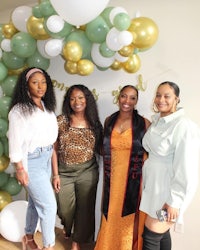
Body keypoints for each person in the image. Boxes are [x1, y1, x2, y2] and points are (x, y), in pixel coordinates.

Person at [139, 81, 200, 250]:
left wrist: (174, 201)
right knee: (161, 233)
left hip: (168, 194)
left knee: (151, 236)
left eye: (167, 96)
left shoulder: (184, 126)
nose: (161, 99)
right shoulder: (158, 121)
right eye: (158, 95)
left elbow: (185, 167)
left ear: (177, 99)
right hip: (154, 190)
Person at [94, 85, 151, 250]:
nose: (127, 101)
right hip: (112, 179)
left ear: (136, 101)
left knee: (129, 217)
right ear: (118, 97)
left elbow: (150, 152)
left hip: (133, 180)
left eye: (132, 98)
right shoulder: (109, 120)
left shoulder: (144, 123)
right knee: (110, 214)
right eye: (124, 96)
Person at [7, 67, 58, 250]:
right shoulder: (19, 111)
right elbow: (14, 143)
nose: (40, 86)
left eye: (43, 82)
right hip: (32, 161)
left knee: (36, 204)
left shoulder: (47, 108)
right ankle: (49, 246)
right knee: (49, 206)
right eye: (35, 82)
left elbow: (51, 142)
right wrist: (20, 169)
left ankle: (28, 238)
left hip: (45, 159)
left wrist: (55, 173)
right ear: (26, 84)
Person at [52, 84, 103, 250]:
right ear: (68, 101)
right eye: (73, 98)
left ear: (87, 100)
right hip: (64, 172)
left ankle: (76, 242)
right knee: (64, 209)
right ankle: (68, 228)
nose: (77, 101)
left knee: (85, 209)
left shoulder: (95, 123)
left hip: (87, 171)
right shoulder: (61, 121)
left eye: (81, 97)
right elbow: (53, 149)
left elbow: (102, 149)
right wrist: (55, 175)